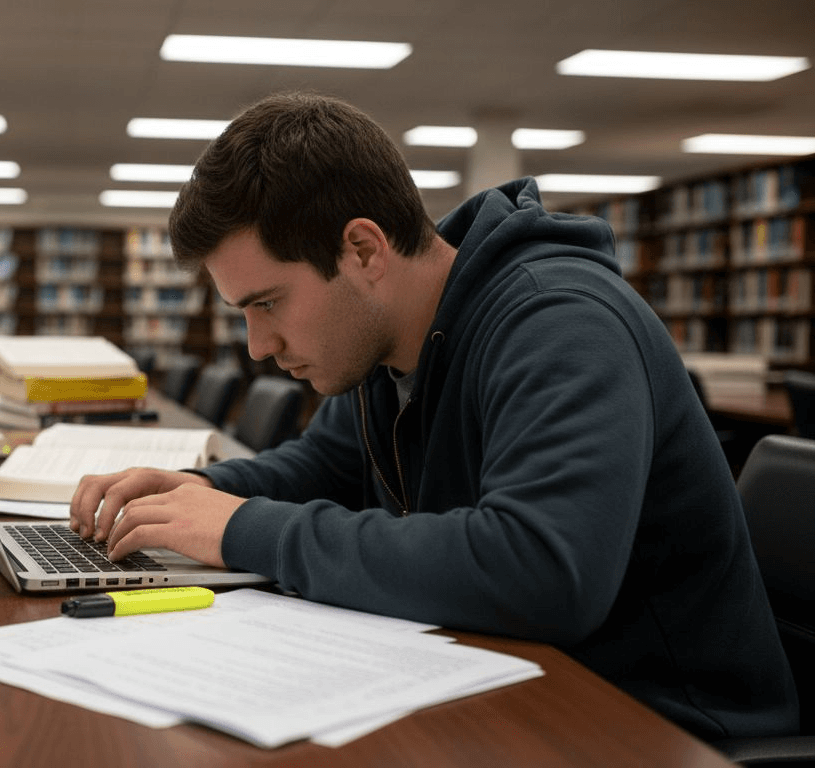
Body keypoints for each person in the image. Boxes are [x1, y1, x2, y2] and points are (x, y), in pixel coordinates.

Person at [68, 91, 798, 741]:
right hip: (503, 685)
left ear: (362, 250)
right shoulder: (387, 345)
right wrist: (193, 494)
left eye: (267, 303)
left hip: (658, 726)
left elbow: (542, 572)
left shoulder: (561, 323)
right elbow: (326, 467)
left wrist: (241, 529)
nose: (260, 346)